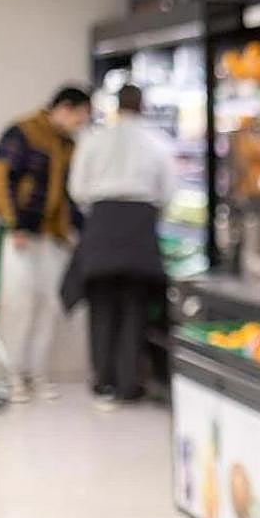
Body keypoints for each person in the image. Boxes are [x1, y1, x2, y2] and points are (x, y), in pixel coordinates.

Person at [66, 84, 174, 410]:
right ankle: (129, 384)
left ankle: (103, 383)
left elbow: (77, 189)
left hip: (101, 223)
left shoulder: (94, 140)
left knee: (101, 307)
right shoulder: (157, 142)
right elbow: (168, 192)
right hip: (140, 226)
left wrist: (100, 212)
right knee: (135, 308)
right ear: (142, 106)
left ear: (117, 105)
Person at [0, 85, 90, 402]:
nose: (81, 124)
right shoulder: (23, 132)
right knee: (18, 305)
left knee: (49, 305)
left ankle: (37, 373)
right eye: (81, 116)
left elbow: (68, 195)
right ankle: (11, 375)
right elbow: (0, 177)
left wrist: (80, 230)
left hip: (52, 238)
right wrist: (14, 222)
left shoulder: (68, 145)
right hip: (20, 235)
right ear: (65, 107)